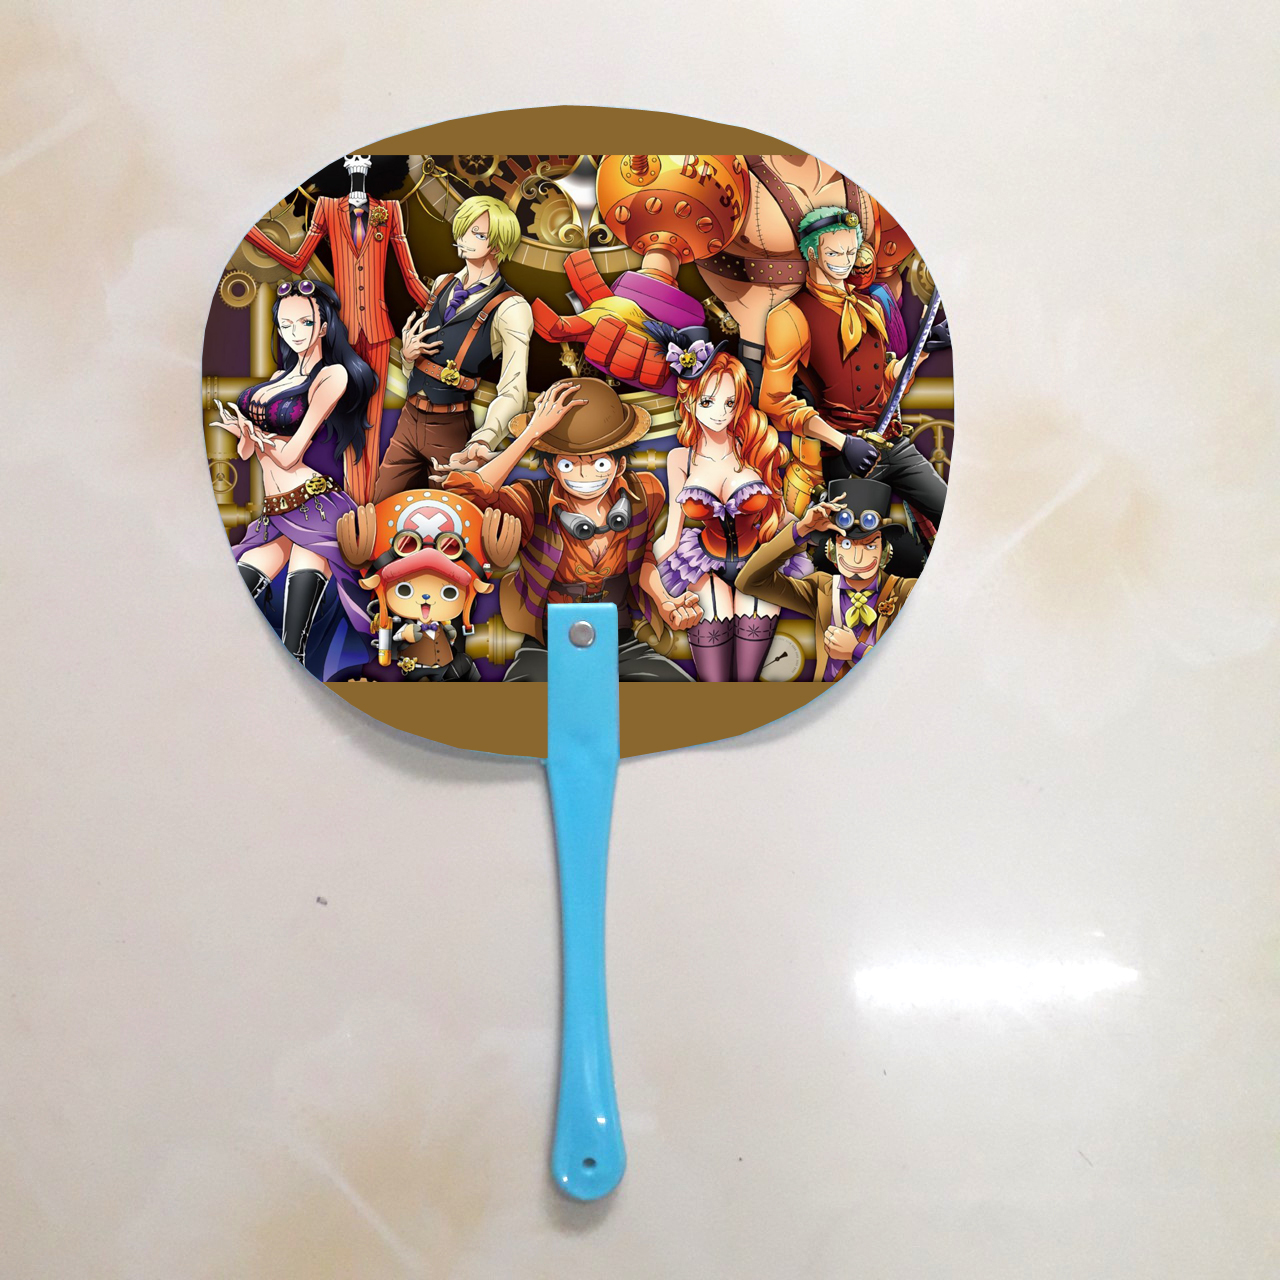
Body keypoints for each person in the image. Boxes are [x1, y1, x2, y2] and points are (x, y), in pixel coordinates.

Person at [443, 378, 702, 681]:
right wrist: (531, 434)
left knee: (679, 692)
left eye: (599, 464)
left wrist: (665, 602)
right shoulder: (532, 501)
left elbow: (642, 559)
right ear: (551, 468)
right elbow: (462, 497)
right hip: (547, 644)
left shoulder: (644, 494)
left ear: (619, 465)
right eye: (568, 465)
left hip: (619, 641)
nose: (584, 476)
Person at [243, 155, 434, 503]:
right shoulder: (327, 207)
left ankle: (363, 507)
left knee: (370, 423)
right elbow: (298, 261)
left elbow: (410, 277)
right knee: (342, 420)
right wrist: (252, 234)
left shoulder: (390, 209)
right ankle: (351, 506)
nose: (358, 162)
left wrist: (443, 310)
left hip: (377, 330)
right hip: (338, 332)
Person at [212, 280, 376, 669]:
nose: (295, 333)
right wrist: (244, 434)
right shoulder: (277, 378)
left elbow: (288, 457)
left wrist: (259, 437)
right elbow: (249, 453)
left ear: (324, 326)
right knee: (239, 591)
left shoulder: (331, 376)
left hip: (314, 509)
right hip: (275, 514)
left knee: (293, 640)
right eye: (286, 325)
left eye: (305, 323)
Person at [760, 205, 948, 526]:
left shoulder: (870, 306)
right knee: (856, 543)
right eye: (834, 253)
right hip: (847, 458)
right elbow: (773, 400)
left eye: (851, 251)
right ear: (812, 254)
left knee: (949, 511)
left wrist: (923, 351)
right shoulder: (789, 316)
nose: (846, 261)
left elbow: (886, 381)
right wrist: (842, 442)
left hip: (893, 443)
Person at [649, 340, 809, 681]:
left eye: (729, 402)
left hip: (758, 561)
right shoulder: (680, 459)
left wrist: (810, 528)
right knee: (715, 657)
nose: (720, 413)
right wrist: (648, 571)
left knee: (747, 669)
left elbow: (779, 513)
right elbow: (672, 532)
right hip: (702, 563)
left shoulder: (754, 446)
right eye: (708, 402)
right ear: (689, 401)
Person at [377, 195, 533, 499]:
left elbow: (514, 389)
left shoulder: (512, 308)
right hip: (408, 418)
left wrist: (485, 438)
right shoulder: (442, 283)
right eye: (463, 229)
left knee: (452, 513)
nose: (463, 239)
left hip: (449, 428)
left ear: (497, 246)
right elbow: (422, 358)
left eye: (477, 234)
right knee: (381, 502)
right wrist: (407, 358)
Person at [736, 476, 920, 683]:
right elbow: (749, 581)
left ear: (885, 552)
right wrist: (801, 529)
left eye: (870, 546)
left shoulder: (907, 592)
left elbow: (919, 665)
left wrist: (856, 651)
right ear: (832, 550)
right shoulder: (821, 589)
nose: (857, 558)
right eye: (847, 545)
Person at [336, 490, 508, 682]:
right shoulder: (400, 627)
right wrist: (404, 635)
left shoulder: (450, 634)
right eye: (404, 590)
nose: (426, 598)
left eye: (448, 592)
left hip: (445, 668)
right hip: (413, 669)